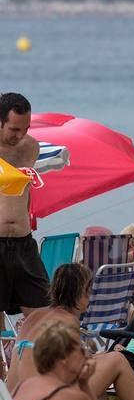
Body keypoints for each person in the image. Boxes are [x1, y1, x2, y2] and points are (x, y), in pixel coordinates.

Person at [5, 264, 134, 400]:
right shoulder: (66, 321)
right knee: (117, 360)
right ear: (82, 293)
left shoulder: (36, 316)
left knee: (100, 366)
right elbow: (74, 371)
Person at [0, 92, 48, 318]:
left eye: (26, 128)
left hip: (23, 241)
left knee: (43, 313)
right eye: (14, 129)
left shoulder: (30, 147)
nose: (21, 135)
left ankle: (31, 353)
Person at [11, 319, 110, 400]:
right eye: (81, 350)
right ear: (64, 357)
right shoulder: (72, 397)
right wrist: (84, 385)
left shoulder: (23, 386)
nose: (87, 355)